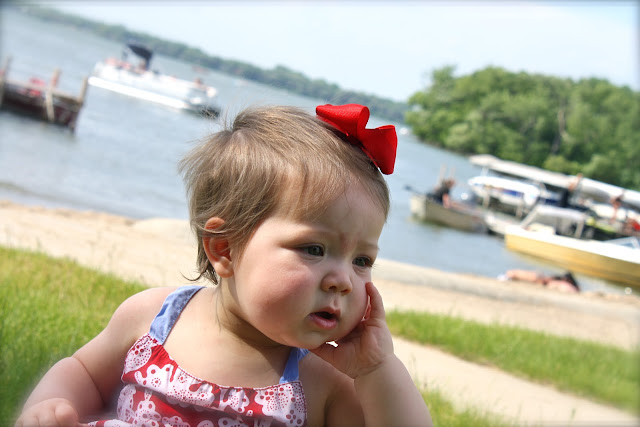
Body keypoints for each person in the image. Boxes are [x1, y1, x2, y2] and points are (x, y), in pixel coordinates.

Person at [16, 104, 432, 427]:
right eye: (313, 249)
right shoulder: (154, 319)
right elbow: (83, 374)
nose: (343, 280)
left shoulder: (322, 378)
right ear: (225, 249)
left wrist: (376, 368)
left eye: (362, 260)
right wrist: (51, 406)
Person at [501, 269, 580, 293]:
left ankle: (509, 276)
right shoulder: (562, 283)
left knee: (535, 277)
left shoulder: (560, 283)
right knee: (536, 277)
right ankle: (509, 276)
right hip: (544, 280)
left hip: (544, 280)